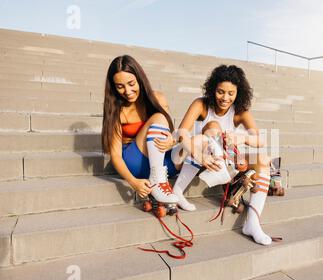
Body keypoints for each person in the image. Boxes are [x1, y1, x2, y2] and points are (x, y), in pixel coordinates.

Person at [172, 65, 274, 245]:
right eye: (220, 92)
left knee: (263, 160)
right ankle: (178, 190)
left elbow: (261, 140)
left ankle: (252, 222)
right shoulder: (201, 104)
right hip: (191, 154)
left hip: (220, 159)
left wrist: (242, 138)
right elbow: (181, 133)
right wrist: (199, 154)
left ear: (238, 93)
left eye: (230, 93)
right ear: (213, 89)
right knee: (213, 129)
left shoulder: (240, 111)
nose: (225, 98)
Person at [101, 55, 179, 204]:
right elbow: (115, 156)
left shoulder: (157, 98)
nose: (127, 91)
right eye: (120, 86)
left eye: (131, 83)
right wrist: (133, 182)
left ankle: (177, 191)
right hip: (134, 162)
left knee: (192, 144)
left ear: (140, 79)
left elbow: (171, 133)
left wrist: (172, 141)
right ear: (113, 86)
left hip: (160, 161)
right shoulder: (116, 110)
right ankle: (157, 182)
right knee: (159, 117)